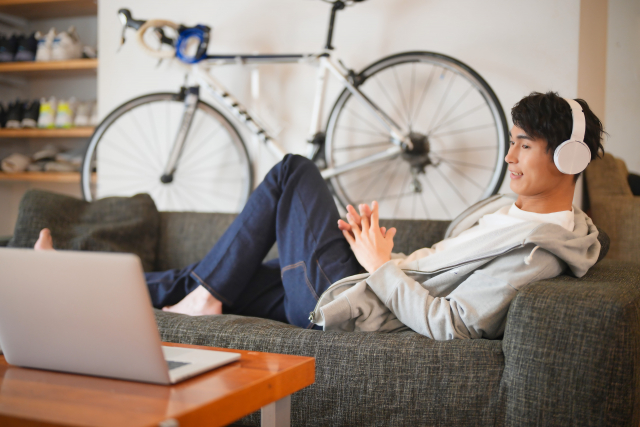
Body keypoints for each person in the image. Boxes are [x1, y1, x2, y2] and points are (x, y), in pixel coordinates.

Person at [34, 91, 605, 340]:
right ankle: (68, 288)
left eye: (524, 145)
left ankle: (204, 296)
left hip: (355, 301)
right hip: (362, 281)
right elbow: (440, 266)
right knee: (214, 275)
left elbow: (453, 324)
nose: (508, 157)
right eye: (513, 142)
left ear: (569, 156)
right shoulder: (507, 212)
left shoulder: (539, 252)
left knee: (292, 169)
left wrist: (382, 266)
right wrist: (379, 253)